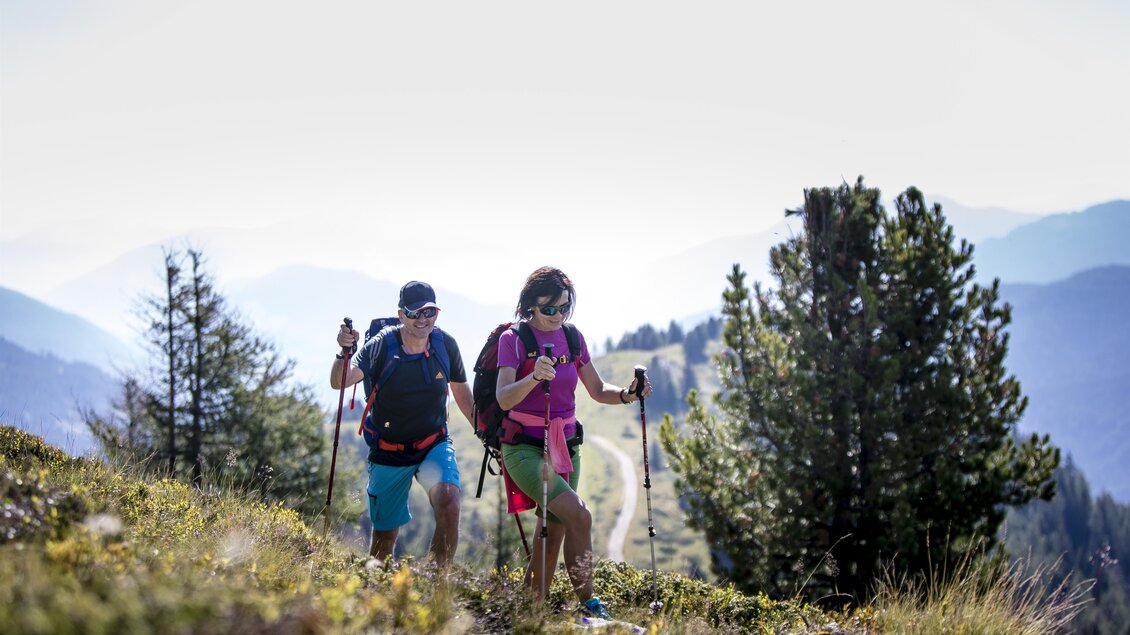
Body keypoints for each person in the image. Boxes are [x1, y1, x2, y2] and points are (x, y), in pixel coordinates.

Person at [495, 266, 652, 620]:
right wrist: (533, 378)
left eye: (564, 307)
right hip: (523, 447)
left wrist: (628, 394)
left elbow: (597, 389)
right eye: (549, 309)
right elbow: (503, 398)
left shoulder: (573, 337)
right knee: (580, 515)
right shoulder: (513, 340)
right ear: (530, 306)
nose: (558, 315)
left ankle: (529, 610)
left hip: (565, 446)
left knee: (554, 529)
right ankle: (589, 605)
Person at [330, 281, 473, 566]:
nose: (422, 319)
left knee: (449, 503)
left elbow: (463, 396)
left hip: (434, 443)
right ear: (401, 315)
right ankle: (379, 586)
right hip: (389, 449)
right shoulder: (381, 345)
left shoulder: (445, 345)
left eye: (429, 312)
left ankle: (437, 584)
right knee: (384, 538)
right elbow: (340, 382)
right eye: (414, 313)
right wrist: (343, 353)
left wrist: (487, 433)